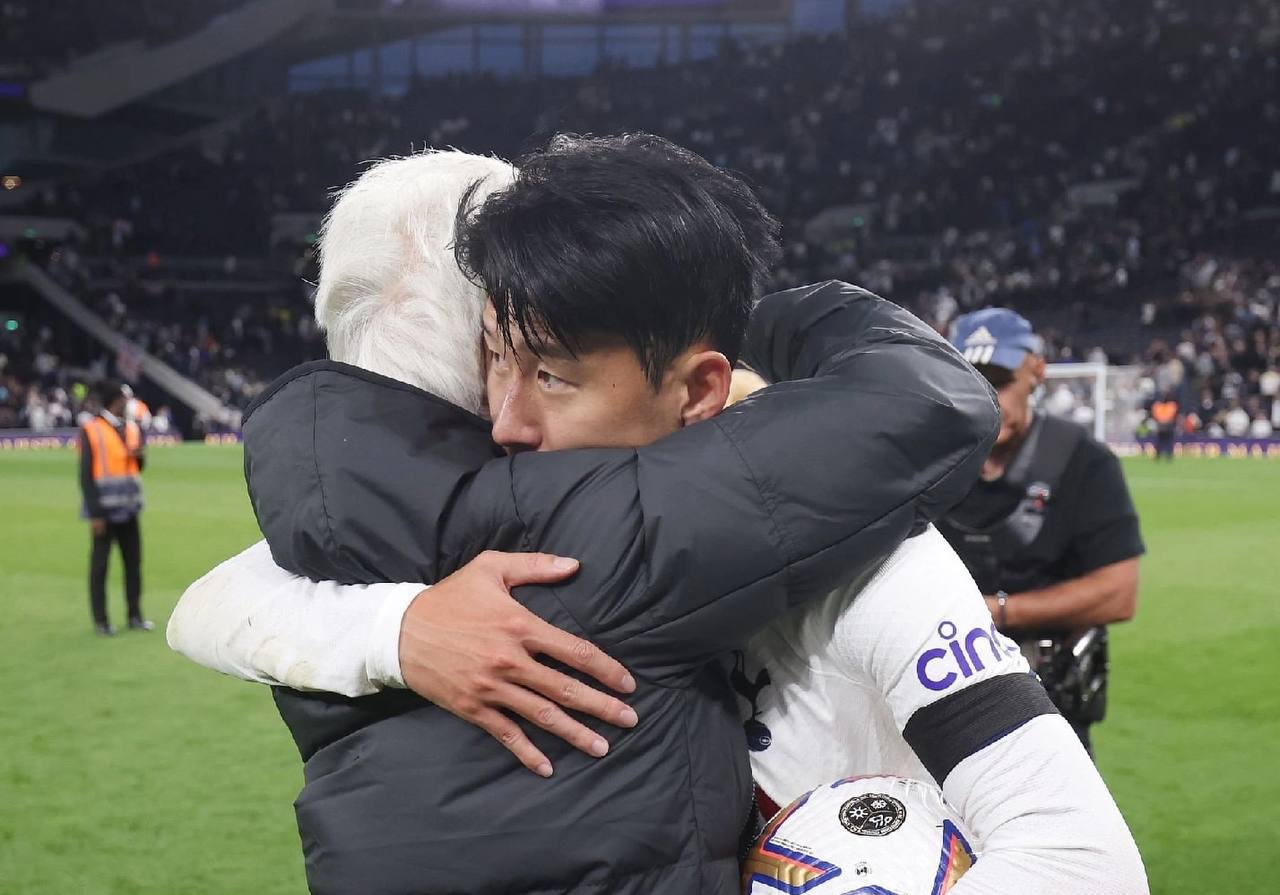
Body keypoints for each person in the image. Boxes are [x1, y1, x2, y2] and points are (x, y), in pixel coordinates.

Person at [172, 144, 1148, 893]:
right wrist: (398, 626)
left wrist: (380, 629)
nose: (507, 424)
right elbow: (231, 590)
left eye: (552, 374)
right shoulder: (511, 527)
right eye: (497, 365)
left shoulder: (875, 560)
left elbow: (1079, 859)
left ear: (695, 386)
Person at [937, 308, 1145, 755]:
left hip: (1049, 709)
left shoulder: (1083, 463)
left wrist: (998, 612)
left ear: (1036, 372)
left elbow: (1119, 593)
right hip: (943, 703)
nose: (987, 398)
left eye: (1000, 382)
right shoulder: (928, 464)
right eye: (972, 381)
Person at [79, 379, 153, 636]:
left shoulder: (131, 427)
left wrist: (140, 457)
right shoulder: (92, 429)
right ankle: (101, 621)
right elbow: (86, 476)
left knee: (133, 564)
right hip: (105, 510)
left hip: (129, 508)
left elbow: (137, 466)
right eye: (124, 398)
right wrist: (95, 514)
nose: (128, 403)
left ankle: (135, 615)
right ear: (115, 400)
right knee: (100, 567)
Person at [1150, 391, 1179, 460]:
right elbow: (1172, 415)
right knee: (1168, 442)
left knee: (1160, 442)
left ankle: (1159, 455)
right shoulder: (1172, 405)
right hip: (1168, 426)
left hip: (1161, 426)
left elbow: (1156, 416)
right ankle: (1168, 455)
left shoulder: (1157, 406)